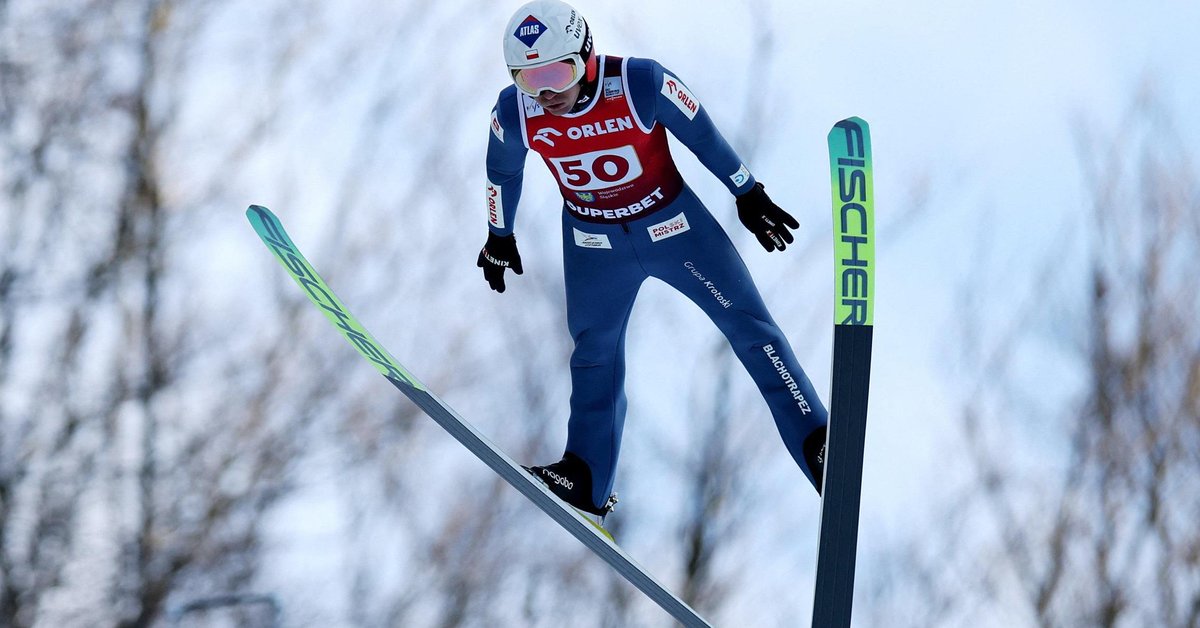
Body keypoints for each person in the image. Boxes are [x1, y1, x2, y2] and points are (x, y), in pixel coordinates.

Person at [479, 0, 829, 519]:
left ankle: (819, 441)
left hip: (677, 229)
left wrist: (747, 191)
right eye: (529, 79)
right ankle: (587, 477)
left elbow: (701, 133)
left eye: (557, 71)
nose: (546, 91)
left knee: (752, 329)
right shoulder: (515, 112)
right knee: (594, 352)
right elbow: (502, 172)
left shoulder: (639, 83)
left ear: (586, 55)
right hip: (593, 244)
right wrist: (498, 234)